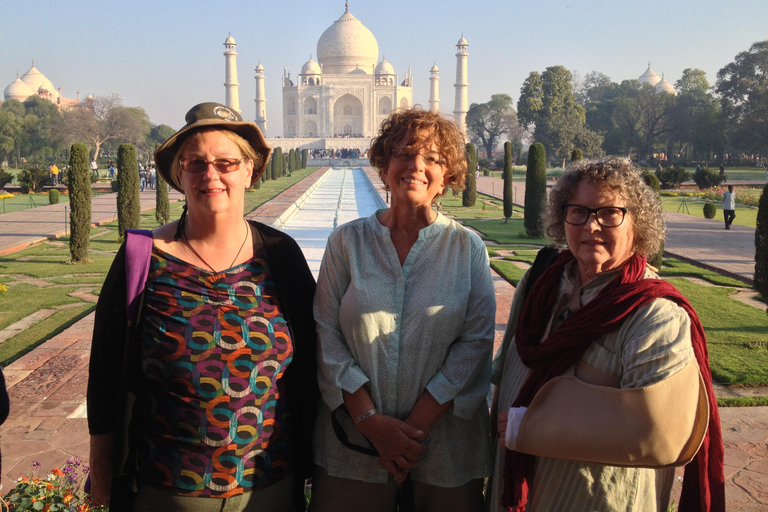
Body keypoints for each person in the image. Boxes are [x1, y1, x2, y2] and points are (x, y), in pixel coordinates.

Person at [87, 102, 318, 512]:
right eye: (196, 164)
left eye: (226, 163)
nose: (211, 175)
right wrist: (103, 467)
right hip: (169, 489)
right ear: (179, 174)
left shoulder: (282, 255)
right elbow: (105, 372)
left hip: (269, 485)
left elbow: (315, 359)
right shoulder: (143, 257)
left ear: (250, 170)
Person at [488, 157, 724, 512]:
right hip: (517, 490)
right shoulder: (542, 282)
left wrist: (530, 427)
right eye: (579, 211)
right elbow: (504, 373)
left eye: (609, 213)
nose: (591, 226)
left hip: (601, 499)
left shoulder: (653, 313)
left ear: (636, 223)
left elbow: (658, 434)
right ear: (562, 216)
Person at [311, 108, 496, 512]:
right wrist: (372, 424)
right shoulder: (347, 243)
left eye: (432, 158)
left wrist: (407, 432)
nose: (416, 166)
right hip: (355, 444)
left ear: (447, 176)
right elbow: (326, 333)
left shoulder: (466, 248)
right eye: (404, 153)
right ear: (383, 164)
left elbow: (476, 343)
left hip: (445, 443)